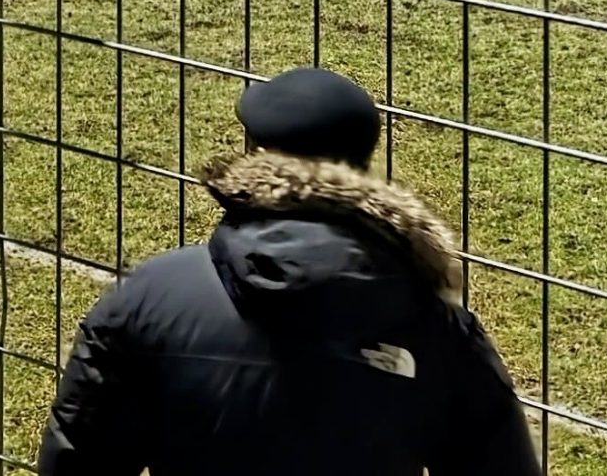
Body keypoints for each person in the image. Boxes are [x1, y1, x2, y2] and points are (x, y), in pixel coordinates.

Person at [37, 66, 540, 476]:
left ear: (253, 155)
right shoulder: (433, 324)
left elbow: (78, 462)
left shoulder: (150, 297)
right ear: (363, 165)